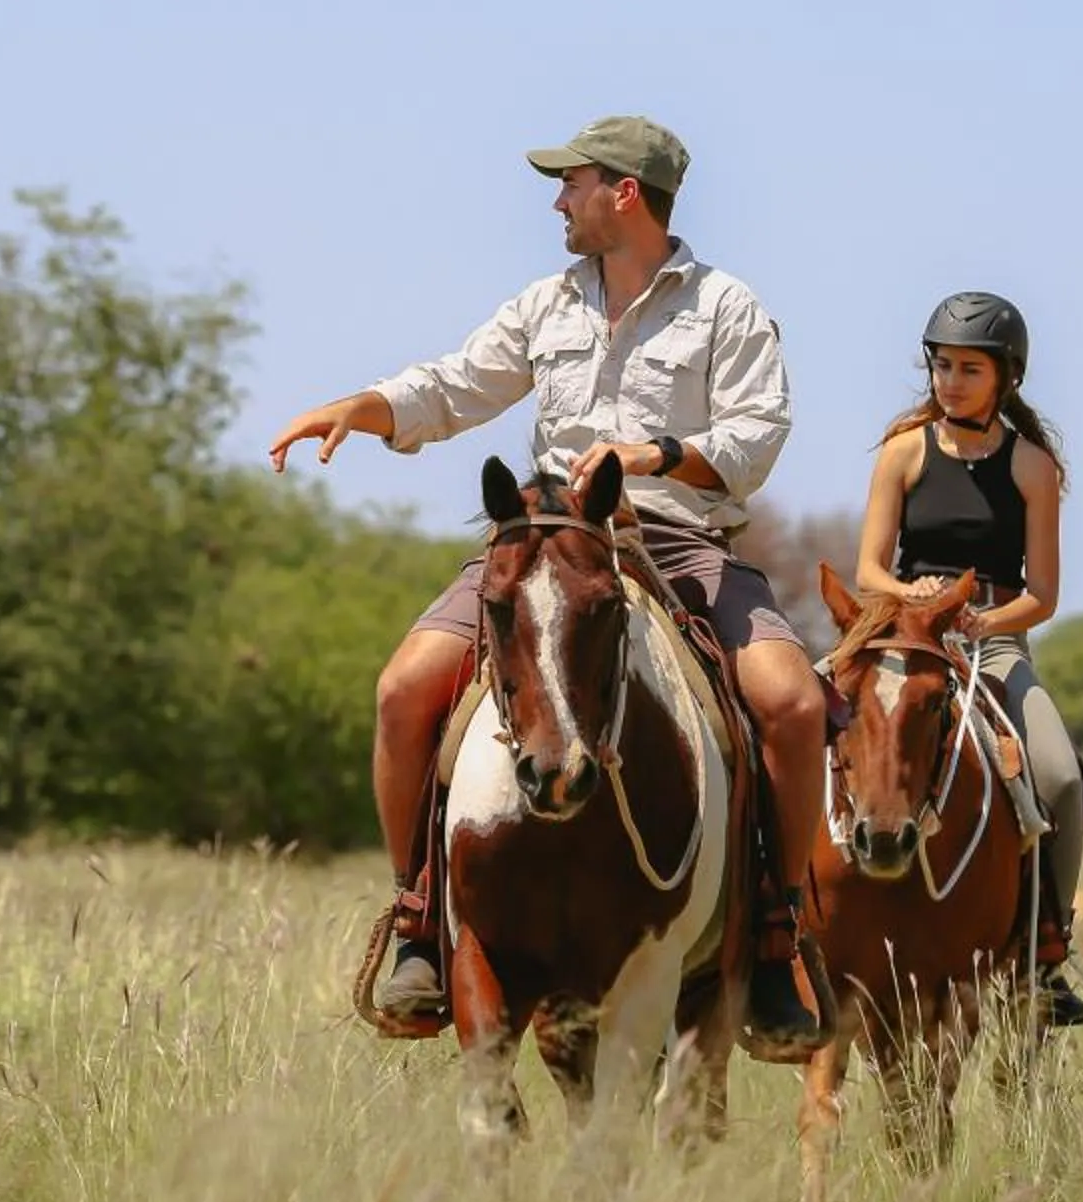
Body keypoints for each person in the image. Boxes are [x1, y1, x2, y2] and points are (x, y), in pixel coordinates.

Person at [267, 116, 829, 1039]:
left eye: (573, 183)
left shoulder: (727, 306)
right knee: (405, 689)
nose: (557, 201)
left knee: (794, 704)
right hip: (547, 544)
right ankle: (417, 925)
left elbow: (755, 438)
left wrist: (653, 452)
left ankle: (776, 937)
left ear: (626, 194)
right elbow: (454, 386)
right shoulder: (545, 304)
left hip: (678, 544)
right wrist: (360, 408)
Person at [851, 290, 1083, 1024]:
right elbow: (868, 571)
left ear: (1006, 380)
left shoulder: (1032, 469)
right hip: (903, 631)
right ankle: (791, 928)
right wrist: (913, 596)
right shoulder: (903, 453)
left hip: (993, 642)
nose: (950, 382)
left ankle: (1044, 956)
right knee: (809, 727)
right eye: (942, 366)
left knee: (1056, 774)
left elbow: (1043, 594)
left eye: (969, 370)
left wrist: (983, 619)